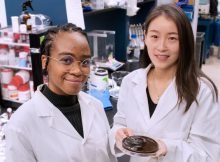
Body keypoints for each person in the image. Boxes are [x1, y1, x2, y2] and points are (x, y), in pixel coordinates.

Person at [109, 4, 220, 162]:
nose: (161, 47)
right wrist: (118, 135)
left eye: (172, 38)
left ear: (184, 42)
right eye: (154, 36)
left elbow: (208, 155)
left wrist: (166, 148)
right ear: (145, 37)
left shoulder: (202, 91)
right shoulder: (130, 81)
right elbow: (120, 123)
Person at [4, 23, 117, 162]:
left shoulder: (96, 106)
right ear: (45, 62)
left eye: (85, 62)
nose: (77, 71)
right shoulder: (20, 124)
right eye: (66, 60)